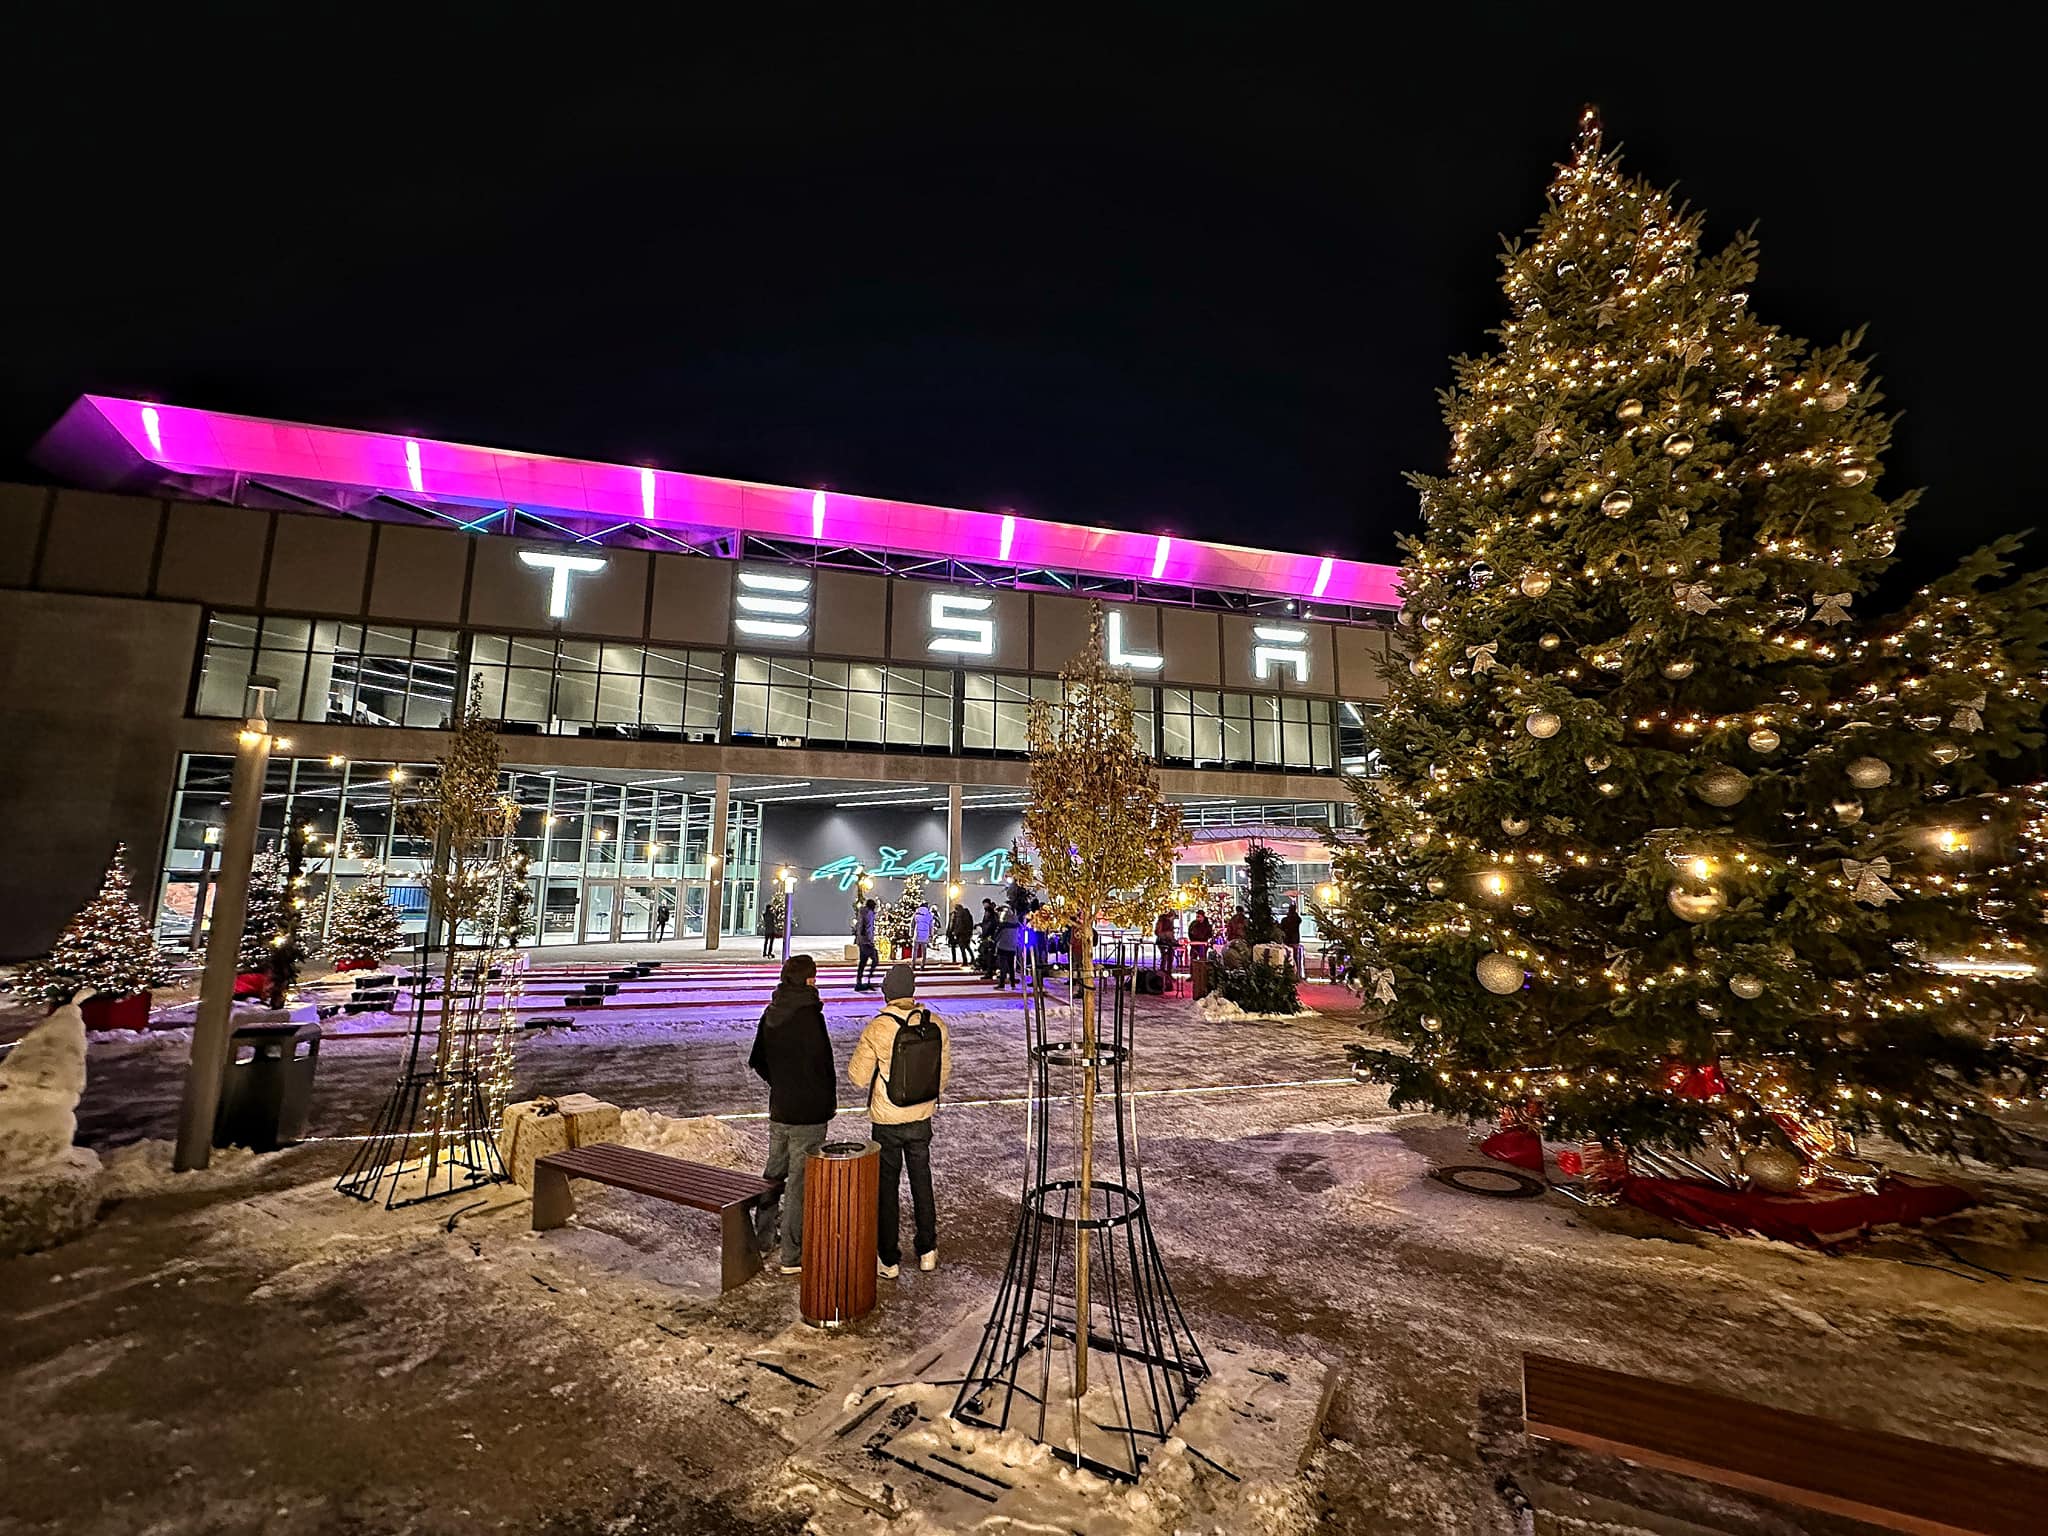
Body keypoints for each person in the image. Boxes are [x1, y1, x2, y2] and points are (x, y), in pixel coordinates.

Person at [849, 963, 951, 1277]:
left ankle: (889, 1258)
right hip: (921, 1116)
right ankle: (927, 1250)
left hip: (888, 1119)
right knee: (922, 1181)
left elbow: (858, 1076)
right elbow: (941, 1078)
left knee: (887, 1186)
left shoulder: (879, 1027)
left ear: (888, 992)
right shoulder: (935, 1023)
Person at [748, 954, 835, 1275]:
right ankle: (792, 1254)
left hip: (781, 1106)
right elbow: (823, 1065)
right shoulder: (810, 1015)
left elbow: (757, 1059)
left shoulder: (772, 1012)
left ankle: (763, 1237)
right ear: (807, 980)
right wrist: (825, 1102)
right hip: (808, 1112)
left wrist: (779, 1082)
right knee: (799, 1182)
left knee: (774, 1173)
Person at [854, 897, 881, 990]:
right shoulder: (869, 914)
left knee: (863, 961)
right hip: (866, 941)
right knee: (875, 959)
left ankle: (859, 982)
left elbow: (860, 927)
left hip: (862, 941)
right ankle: (869, 980)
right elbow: (868, 928)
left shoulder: (862, 913)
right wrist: (870, 941)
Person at [994, 909, 1022, 988]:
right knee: (1011, 967)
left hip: (1003, 947)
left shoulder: (1003, 926)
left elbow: (997, 937)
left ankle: (1001, 984)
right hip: (1012, 948)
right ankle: (1013, 984)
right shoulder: (1016, 926)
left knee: (1003, 967)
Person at [1281, 901, 1304, 977]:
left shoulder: (1285, 920)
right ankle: (1296, 974)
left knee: (1286, 956)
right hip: (1294, 940)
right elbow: (1299, 920)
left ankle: (1287, 973)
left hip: (1287, 940)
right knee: (1295, 957)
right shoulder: (1297, 919)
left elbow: (1282, 927)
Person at [947, 901, 974, 965]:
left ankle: (965, 961)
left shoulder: (960, 915)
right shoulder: (963, 914)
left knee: (963, 947)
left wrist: (955, 932)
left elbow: (959, 925)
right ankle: (971, 958)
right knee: (966, 946)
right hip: (963, 933)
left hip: (961, 933)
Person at [1152, 909, 1177, 975]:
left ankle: (1169, 973)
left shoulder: (1170, 922)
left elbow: (1171, 934)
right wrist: (1166, 935)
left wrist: (1173, 940)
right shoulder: (1162, 921)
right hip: (1162, 941)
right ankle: (1162, 972)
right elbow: (1157, 932)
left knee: (1170, 956)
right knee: (1164, 957)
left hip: (1168, 942)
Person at [912, 900, 934, 967]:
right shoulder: (929, 915)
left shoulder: (916, 914)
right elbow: (931, 926)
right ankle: (923, 964)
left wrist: (911, 933)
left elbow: (912, 924)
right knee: (924, 951)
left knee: (915, 950)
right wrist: (931, 934)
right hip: (925, 934)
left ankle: (913, 964)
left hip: (917, 934)